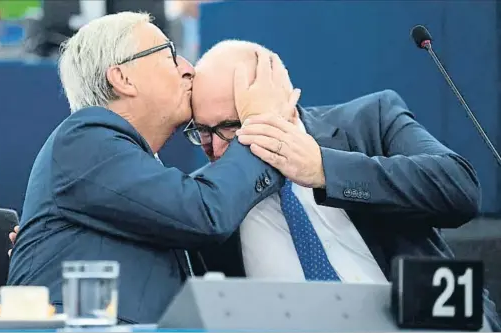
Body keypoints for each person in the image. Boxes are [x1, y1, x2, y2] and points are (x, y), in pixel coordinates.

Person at [181, 39, 500, 329]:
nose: (217, 149)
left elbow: (460, 190)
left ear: (284, 104)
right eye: (202, 132)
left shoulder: (369, 122)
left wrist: (323, 170)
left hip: (424, 323)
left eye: (232, 126)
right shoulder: (205, 199)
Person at [6, 12, 300, 325]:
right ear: (122, 78)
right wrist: (262, 125)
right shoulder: (84, 138)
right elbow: (204, 213)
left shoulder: (130, 163)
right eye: (172, 56)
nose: (189, 70)